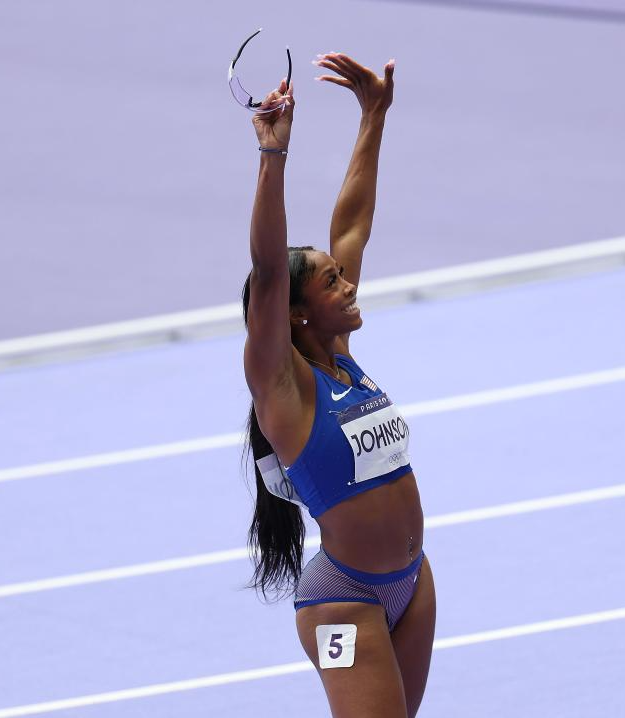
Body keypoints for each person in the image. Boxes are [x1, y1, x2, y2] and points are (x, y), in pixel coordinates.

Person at [241, 52, 436, 717]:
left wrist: (374, 115)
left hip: (413, 580)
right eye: (332, 281)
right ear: (294, 311)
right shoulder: (282, 387)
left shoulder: (340, 354)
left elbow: (351, 223)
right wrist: (274, 157)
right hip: (342, 606)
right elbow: (268, 270)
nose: (349, 284)